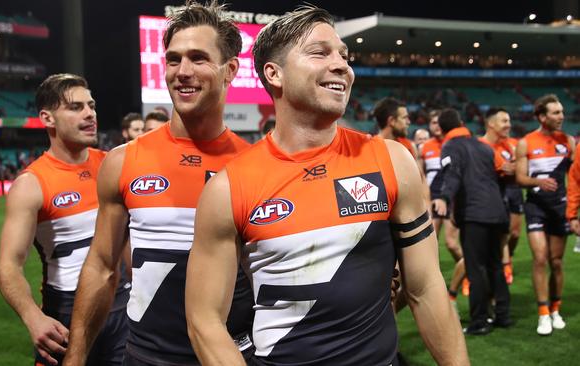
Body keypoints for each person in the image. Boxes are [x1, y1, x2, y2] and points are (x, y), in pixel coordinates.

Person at [185, 6, 468, 365]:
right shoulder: (228, 188)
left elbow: (426, 288)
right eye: (320, 52)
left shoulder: (392, 161)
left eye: (344, 56)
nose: (342, 66)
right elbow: (204, 320)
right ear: (274, 74)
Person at [62, 2, 254, 365]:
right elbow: (102, 266)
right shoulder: (123, 160)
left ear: (230, 70)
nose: (182, 71)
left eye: (198, 58)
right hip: (145, 357)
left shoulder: (255, 165)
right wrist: (75, 356)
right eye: (173, 59)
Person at [0, 74, 130, 366]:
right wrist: (34, 318)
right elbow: (8, 266)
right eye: (75, 107)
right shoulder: (31, 184)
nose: (89, 113)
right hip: (68, 314)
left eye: (91, 105)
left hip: (123, 306)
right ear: (47, 118)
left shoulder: (113, 165)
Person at [432, 108, 511, 335]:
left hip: (475, 214)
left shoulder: (450, 147)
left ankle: (480, 321)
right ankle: (503, 315)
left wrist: (445, 198)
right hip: (497, 211)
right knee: (496, 265)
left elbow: (453, 174)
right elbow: (500, 174)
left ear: (442, 128)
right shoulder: (484, 146)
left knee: (475, 268)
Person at [515, 94, 574, 335]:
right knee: (540, 258)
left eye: (561, 112)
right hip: (536, 206)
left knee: (556, 262)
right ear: (542, 116)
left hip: (560, 207)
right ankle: (542, 313)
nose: (561, 116)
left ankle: (555, 309)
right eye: (556, 113)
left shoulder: (569, 142)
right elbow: (520, 178)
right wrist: (538, 181)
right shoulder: (526, 142)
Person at [418, 110, 465, 304]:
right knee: (430, 244)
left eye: (439, 123)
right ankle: (433, 285)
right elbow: (421, 177)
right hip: (433, 199)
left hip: (451, 199)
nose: (436, 126)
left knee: (452, 243)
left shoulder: (453, 145)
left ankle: (465, 271)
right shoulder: (425, 148)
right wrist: (426, 201)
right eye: (433, 123)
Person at [479, 107, 521, 285]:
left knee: (514, 234)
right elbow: (508, 168)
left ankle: (506, 262)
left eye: (509, 121)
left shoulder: (510, 144)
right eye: (504, 121)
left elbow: (513, 170)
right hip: (488, 198)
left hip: (510, 190)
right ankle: (466, 281)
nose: (509, 125)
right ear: (491, 123)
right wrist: (517, 166)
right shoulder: (480, 145)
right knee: (485, 247)